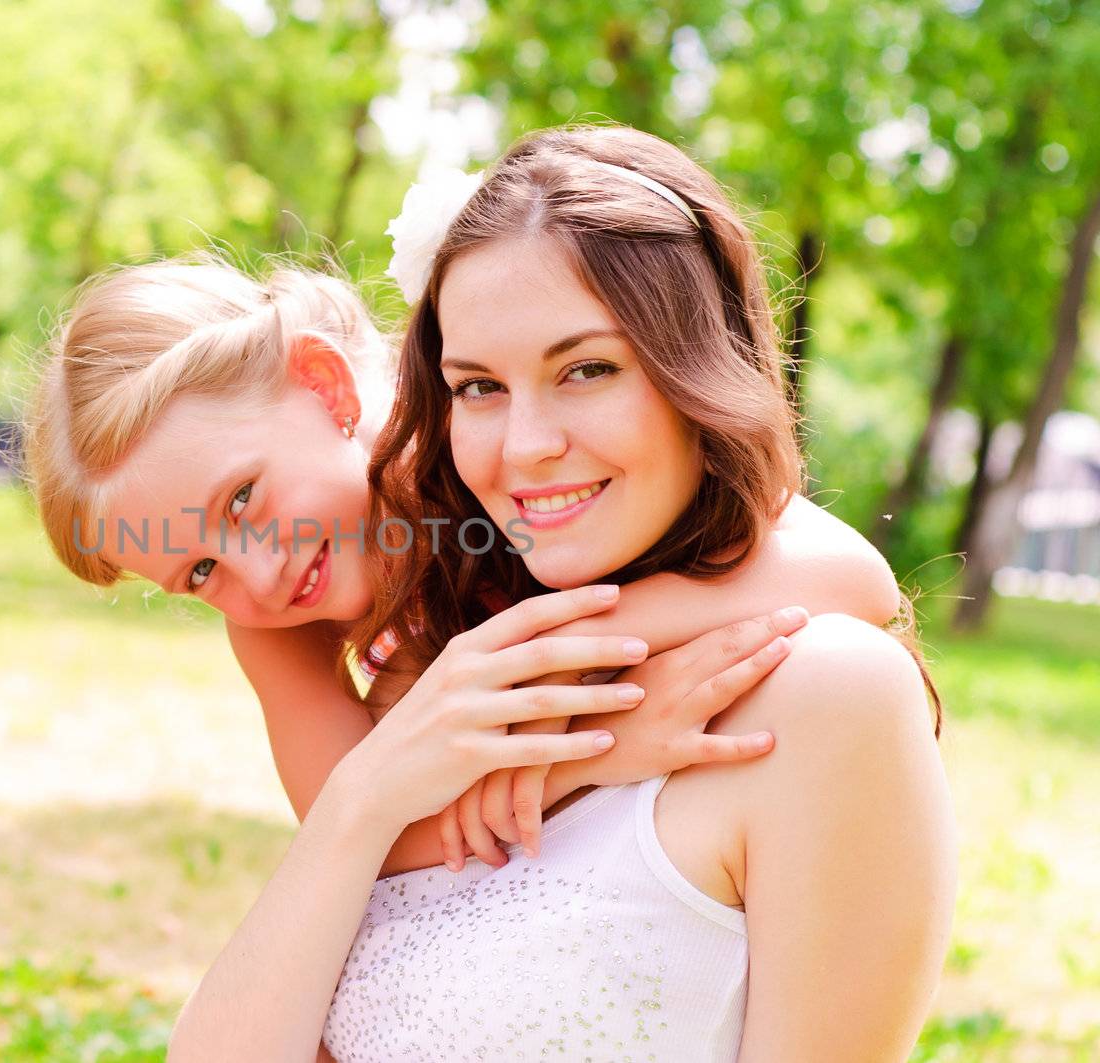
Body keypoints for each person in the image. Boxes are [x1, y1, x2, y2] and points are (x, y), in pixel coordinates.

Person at [169, 124, 955, 1062]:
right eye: (478, 387)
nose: (525, 445)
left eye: (588, 368)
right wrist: (546, 744)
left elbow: (859, 576)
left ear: (694, 365)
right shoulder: (431, 674)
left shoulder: (814, 690)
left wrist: (556, 697)